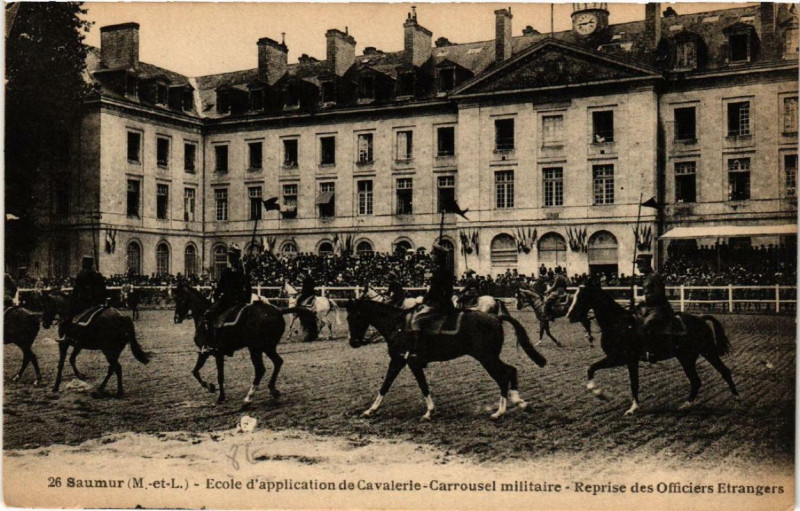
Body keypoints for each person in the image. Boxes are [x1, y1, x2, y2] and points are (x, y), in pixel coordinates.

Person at [407, 241, 454, 359]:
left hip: (439, 304)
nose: (431, 256)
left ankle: (417, 351)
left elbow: (434, 290)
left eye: (433, 254)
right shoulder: (445, 269)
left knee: (416, 321)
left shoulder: (439, 271)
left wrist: (424, 299)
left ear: (437, 256)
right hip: (444, 302)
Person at [202, 244, 252, 354]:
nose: (229, 257)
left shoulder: (228, 271)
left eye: (230, 255)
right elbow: (249, 287)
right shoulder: (243, 270)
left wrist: (215, 298)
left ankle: (211, 344)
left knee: (209, 314)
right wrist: (246, 301)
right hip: (241, 301)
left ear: (233, 257)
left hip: (228, 301)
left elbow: (220, 288)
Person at [635, 253, 674, 362]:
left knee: (647, 324)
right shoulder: (646, 277)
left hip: (659, 308)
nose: (637, 267)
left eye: (639, 264)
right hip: (649, 308)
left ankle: (651, 351)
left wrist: (644, 299)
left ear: (646, 264)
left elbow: (659, 295)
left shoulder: (655, 276)